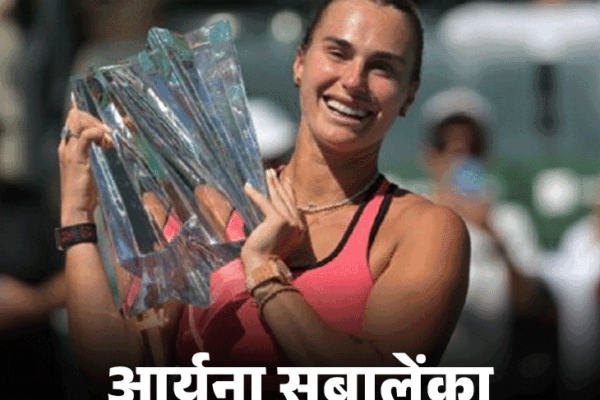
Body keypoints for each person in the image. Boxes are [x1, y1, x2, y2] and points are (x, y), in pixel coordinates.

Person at [57, 0, 470, 390]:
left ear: (409, 94)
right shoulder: (208, 206)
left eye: (382, 67)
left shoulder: (423, 231)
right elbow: (120, 372)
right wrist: (77, 218)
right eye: (338, 53)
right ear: (300, 62)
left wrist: (263, 273)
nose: (353, 81)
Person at [421, 87, 557, 398]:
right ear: (430, 155)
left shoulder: (510, 221)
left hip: (492, 382)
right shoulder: (407, 216)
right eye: (447, 146)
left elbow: (526, 302)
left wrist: (492, 232)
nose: (459, 157)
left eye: (472, 147)